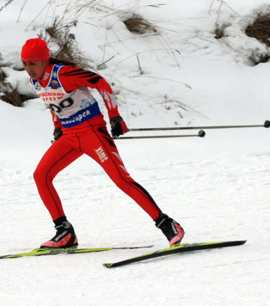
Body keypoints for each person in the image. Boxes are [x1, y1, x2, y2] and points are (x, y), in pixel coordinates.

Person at [20, 37, 184, 249]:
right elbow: (54, 103)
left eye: (32, 63)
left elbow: (100, 82)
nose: (28, 69)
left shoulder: (63, 74)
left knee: (122, 180)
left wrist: (114, 115)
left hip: (92, 134)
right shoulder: (36, 80)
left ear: (45, 60)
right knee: (41, 175)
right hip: (69, 137)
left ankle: (168, 224)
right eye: (25, 64)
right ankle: (64, 232)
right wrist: (58, 126)